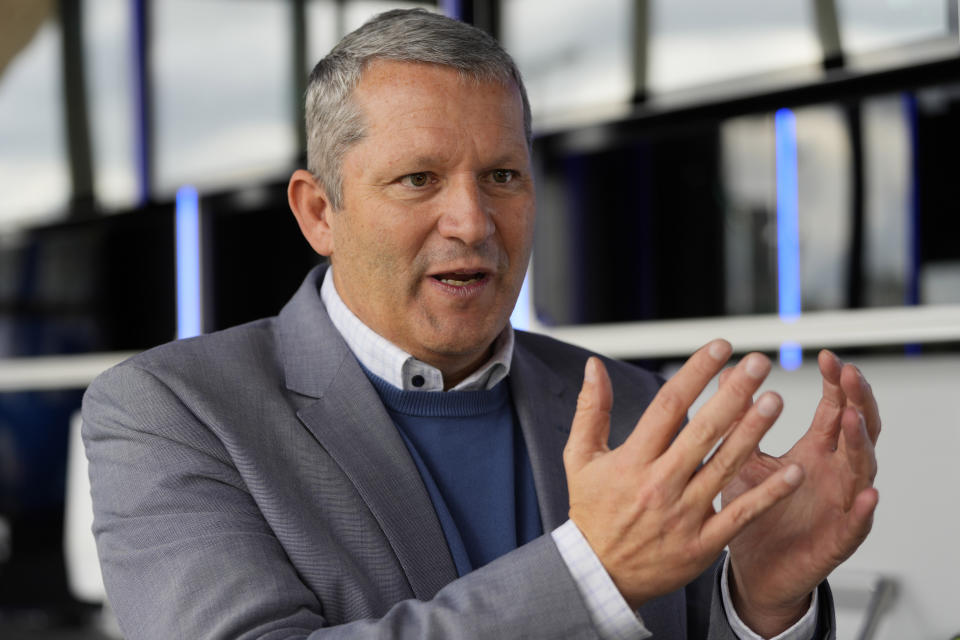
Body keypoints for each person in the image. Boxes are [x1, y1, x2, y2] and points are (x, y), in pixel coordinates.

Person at [81, 9, 880, 640]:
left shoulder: (635, 407)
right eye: (418, 179)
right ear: (320, 212)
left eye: (502, 176)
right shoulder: (171, 411)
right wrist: (592, 577)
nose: (471, 220)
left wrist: (767, 604)